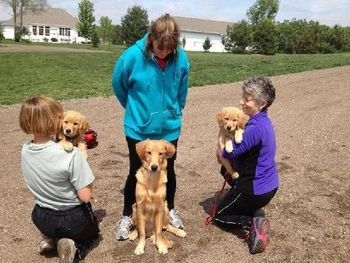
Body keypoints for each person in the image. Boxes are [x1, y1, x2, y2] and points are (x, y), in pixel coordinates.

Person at [112, 14, 190, 241]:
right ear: (151, 39)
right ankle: (128, 214)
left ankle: (169, 208)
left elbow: (183, 86)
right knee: (135, 172)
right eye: (159, 47)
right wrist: (134, 108)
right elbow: (118, 84)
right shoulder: (131, 56)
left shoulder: (181, 58)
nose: (163, 52)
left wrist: (177, 108)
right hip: (139, 128)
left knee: (169, 171)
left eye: (169, 49)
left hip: (169, 128)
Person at [19, 96, 99, 262]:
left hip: (41, 216)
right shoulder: (72, 154)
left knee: (49, 213)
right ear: (52, 122)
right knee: (93, 230)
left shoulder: (25, 150)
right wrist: (84, 169)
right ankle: (73, 246)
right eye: (60, 118)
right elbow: (85, 196)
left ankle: (49, 238)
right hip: (72, 219)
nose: (64, 121)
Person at [215, 76, 279, 254]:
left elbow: (228, 153)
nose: (241, 102)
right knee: (225, 170)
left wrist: (221, 145)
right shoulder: (263, 121)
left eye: (247, 99)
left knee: (219, 216)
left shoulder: (254, 128)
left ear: (262, 103)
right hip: (270, 185)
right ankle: (251, 206)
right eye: (242, 97)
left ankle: (253, 222)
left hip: (255, 189)